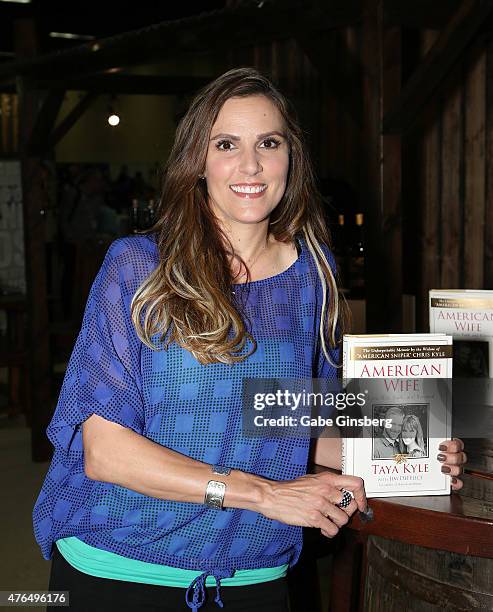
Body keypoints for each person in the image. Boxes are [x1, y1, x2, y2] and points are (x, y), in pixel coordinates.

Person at [33, 68, 466, 612]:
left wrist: (410, 450)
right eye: (226, 144)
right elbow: (106, 452)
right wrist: (264, 492)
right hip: (123, 564)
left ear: (291, 157)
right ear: (199, 161)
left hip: (253, 570)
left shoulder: (312, 274)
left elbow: (288, 421)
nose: (251, 165)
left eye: (268, 142)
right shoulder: (140, 266)